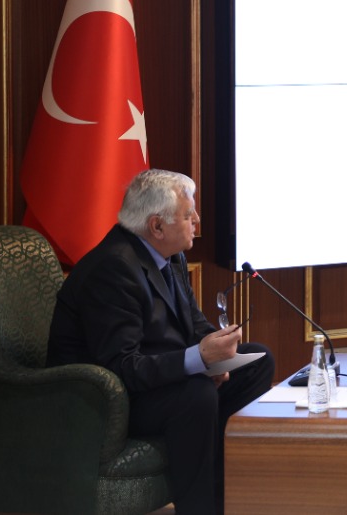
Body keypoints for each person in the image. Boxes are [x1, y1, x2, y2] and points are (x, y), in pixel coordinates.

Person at [47, 169, 274, 515]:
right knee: (197, 394)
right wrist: (199, 360)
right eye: (188, 215)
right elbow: (122, 367)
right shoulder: (113, 268)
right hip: (104, 400)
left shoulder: (169, 254)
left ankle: (224, 491)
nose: (197, 221)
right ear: (157, 226)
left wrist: (217, 353)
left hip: (153, 378)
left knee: (258, 360)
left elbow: (193, 323)